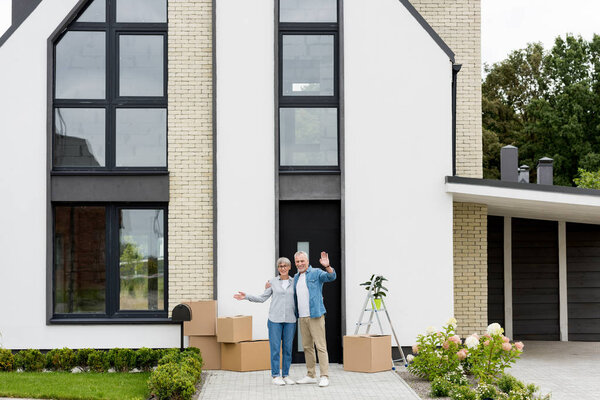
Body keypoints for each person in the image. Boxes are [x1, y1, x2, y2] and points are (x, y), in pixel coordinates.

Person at [233, 257, 296, 386]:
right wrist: (247, 296)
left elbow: (302, 296)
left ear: (290, 267)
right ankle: (275, 375)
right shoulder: (272, 282)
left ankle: (286, 374)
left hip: (290, 320)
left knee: (288, 349)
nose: (283, 268)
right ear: (278, 268)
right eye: (280, 266)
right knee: (275, 348)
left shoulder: (295, 282)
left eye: (285, 266)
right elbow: (262, 298)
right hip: (274, 320)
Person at [293, 250, 336, 387]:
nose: (300, 264)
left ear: (307, 261)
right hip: (302, 316)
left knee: (320, 346)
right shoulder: (295, 277)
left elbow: (331, 277)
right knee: (307, 347)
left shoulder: (316, 273)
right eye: (297, 261)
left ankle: (324, 376)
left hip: (315, 315)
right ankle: (311, 375)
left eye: (302, 261)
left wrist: (327, 266)